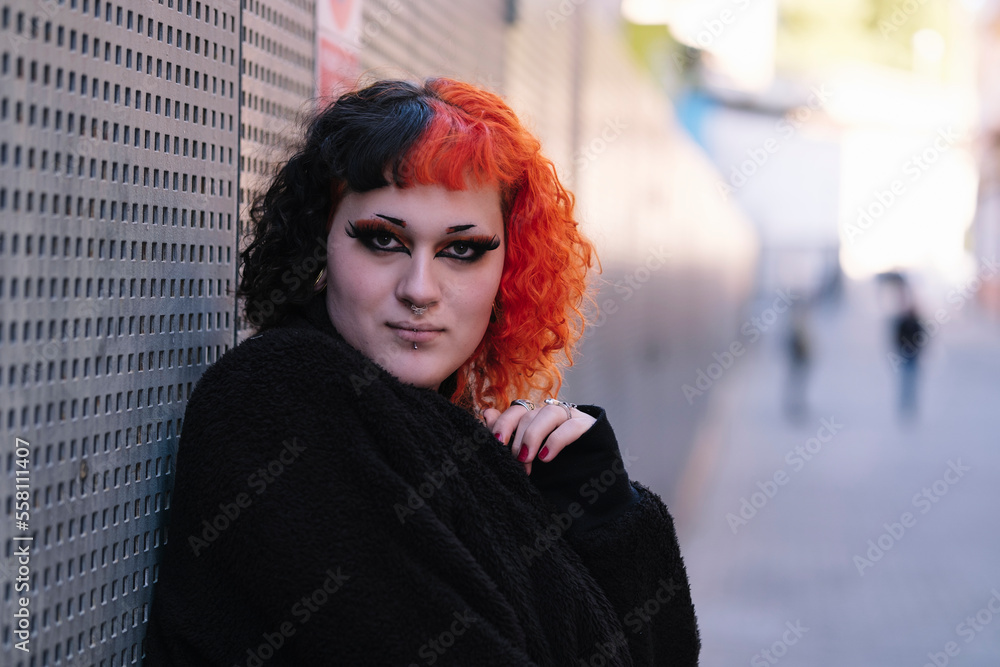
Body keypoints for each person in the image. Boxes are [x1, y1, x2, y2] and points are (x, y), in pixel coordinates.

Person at [143, 78, 699, 666]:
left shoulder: (456, 439)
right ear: (319, 242)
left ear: (511, 265)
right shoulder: (277, 399)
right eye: (383, 240)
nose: (419, 290)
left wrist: (605, 511)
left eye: (461, 250)